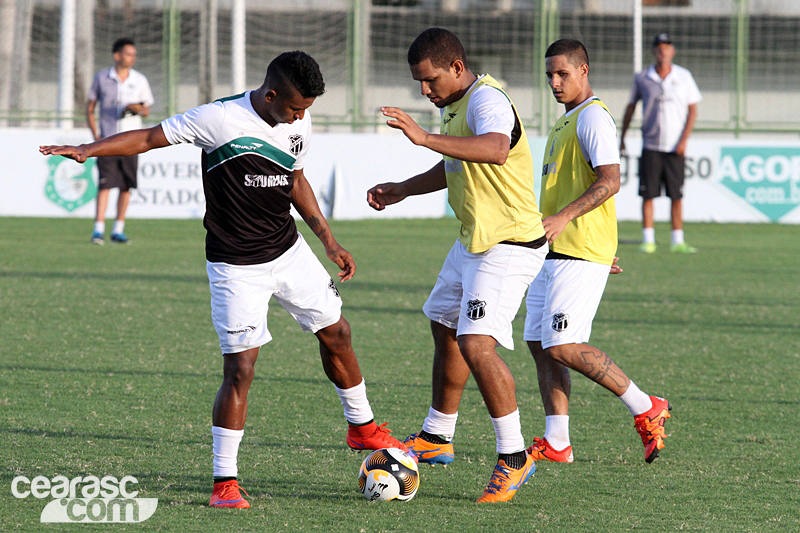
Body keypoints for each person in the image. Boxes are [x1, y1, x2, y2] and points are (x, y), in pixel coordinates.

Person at [41, 50, 409, 509]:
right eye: (294, 109)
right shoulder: (218, 118)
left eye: (306, 110)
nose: (299, 118)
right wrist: (87, 149)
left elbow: (295, 179)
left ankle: (362, 427)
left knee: (338, 332)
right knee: (241, 369)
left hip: (289, 251)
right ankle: (225, 483)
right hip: (235, 266)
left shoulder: (299, 121)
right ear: (271, 94)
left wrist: (329, 241)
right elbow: (149, 138)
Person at [367, 28, 547, 503]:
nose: (424, 91)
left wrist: (423, 137)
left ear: (456, 68)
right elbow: (456, 166)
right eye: (418, 83)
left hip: (509, 242)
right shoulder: (453, 107)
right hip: (474, 240)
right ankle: (437, 435)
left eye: (429, 80)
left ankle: (514, 458)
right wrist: (403, 188)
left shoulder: (488, 100)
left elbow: (494, 148)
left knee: (476, 343)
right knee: (444, 323)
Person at [522, 39, 671, 466]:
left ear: (583, 71)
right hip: (554, 251)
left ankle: (646, 406)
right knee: (538, 342)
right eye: (549, 74)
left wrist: (569, 221)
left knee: (564, 345)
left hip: (577, 249)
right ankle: (557, 441)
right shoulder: (564, 122)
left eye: (562, 74)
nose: (554, 82)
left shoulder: (592, 118)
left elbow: (610, 180)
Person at [620, 32, 702, 254]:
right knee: (648, 194)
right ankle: (648, 239)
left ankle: (678, 240)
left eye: (666, 47)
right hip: (651, 145)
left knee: (676, 195)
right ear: (654, 51)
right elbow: (631, 106)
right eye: (659, 47)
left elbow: (693, 110)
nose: (663, 51)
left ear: (672, 50)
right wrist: (623, 136)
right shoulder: (643, 77)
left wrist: (684, 140)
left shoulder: (683, 76)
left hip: (675, 147)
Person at [86, 37, 155, 244]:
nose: (132, 58)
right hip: (107, 141)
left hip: (132, 142)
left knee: (126, 185)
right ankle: (98, 229)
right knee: (105, 184)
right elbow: (90, 108)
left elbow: (146, 110)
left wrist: (137, 108)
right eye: (128, 54)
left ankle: (118, 229)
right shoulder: (102, 78)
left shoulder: (139, 80)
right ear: (117, 55)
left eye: (134, 54)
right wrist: (95, 135)